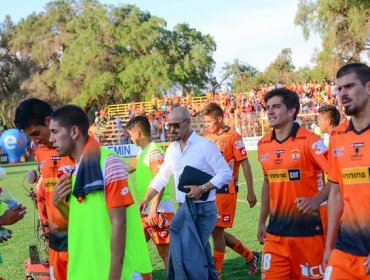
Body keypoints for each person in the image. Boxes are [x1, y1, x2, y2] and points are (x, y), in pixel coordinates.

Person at [50, 105, 152, 280]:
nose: (51, 139)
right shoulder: (72, 170)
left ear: (74, 131)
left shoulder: (108, 162)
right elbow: (83, 222)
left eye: (55, 131)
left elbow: (120, 224)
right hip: (85, 272)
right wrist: (59, 204)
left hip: (115, 274)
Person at [139, 106, 232, 279]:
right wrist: (146, 199)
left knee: (190, 256)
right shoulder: (172, 150)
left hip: (204, 210)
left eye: (175, 125)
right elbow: (161, 178)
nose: (172, 129)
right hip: (184, 210)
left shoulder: (205, 145)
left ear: (188, 122)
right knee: (200, 255)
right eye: (169, 126)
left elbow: (225, 173)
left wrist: (203, 188)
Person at [257, 88, 330, 279]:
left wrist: (316, 200)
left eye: (276, 107)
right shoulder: (263, 144)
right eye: (268, 107)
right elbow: (267, 183)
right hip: (276, 232)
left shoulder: (310, 141)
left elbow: (337, 175)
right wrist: (261, 221)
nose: (270, 111)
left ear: (291, 111)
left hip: (310, 231)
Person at [14, 98, 73, 280]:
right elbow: (47, 186)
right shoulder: (40, 151)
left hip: (80, 232)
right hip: (55, 234)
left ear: (49, 122)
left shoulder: (77, 148)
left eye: (36, 133)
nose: (35, 140)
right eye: (31, 136)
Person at [323, 63, 370, 279]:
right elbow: (335, 194)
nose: (342, 94)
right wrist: (329, 246)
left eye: (349, 86)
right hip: (345, 249)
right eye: (339, 89)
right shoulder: (338, 136)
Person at [202, 102, 260, 276]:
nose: (206, 126)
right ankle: (250, 256)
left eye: (209, 122)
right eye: (204, 122)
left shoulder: (234, 137)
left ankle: (216, 273)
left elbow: (245, 164)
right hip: (209, 189)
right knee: (215, 231)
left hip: (226, 190)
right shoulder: (207, 137)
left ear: (219, 119)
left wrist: (250, 191)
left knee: (217, 231)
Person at [126, 116, 174, 272]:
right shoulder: (142, 153)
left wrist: (153, 208)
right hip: (146, 209)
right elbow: (127, 168)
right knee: (134, 245)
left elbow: (160, 181)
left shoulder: (154, 152)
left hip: (159, 210)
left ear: (138, 134)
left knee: (164, 253)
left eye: (130, 134)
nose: (130, 137)